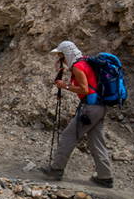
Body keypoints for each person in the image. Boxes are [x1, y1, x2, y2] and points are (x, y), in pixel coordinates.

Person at [40, 40, 114, 187]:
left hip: (90, 108)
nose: (61, 59)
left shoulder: (78, 66)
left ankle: (56, 170)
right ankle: (105, 177)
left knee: (68, 135)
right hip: (100, 106)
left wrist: (65, 85)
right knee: (96, 140)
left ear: (67, 54)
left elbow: (84, 89)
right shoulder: (84, 62)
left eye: (61, 55)